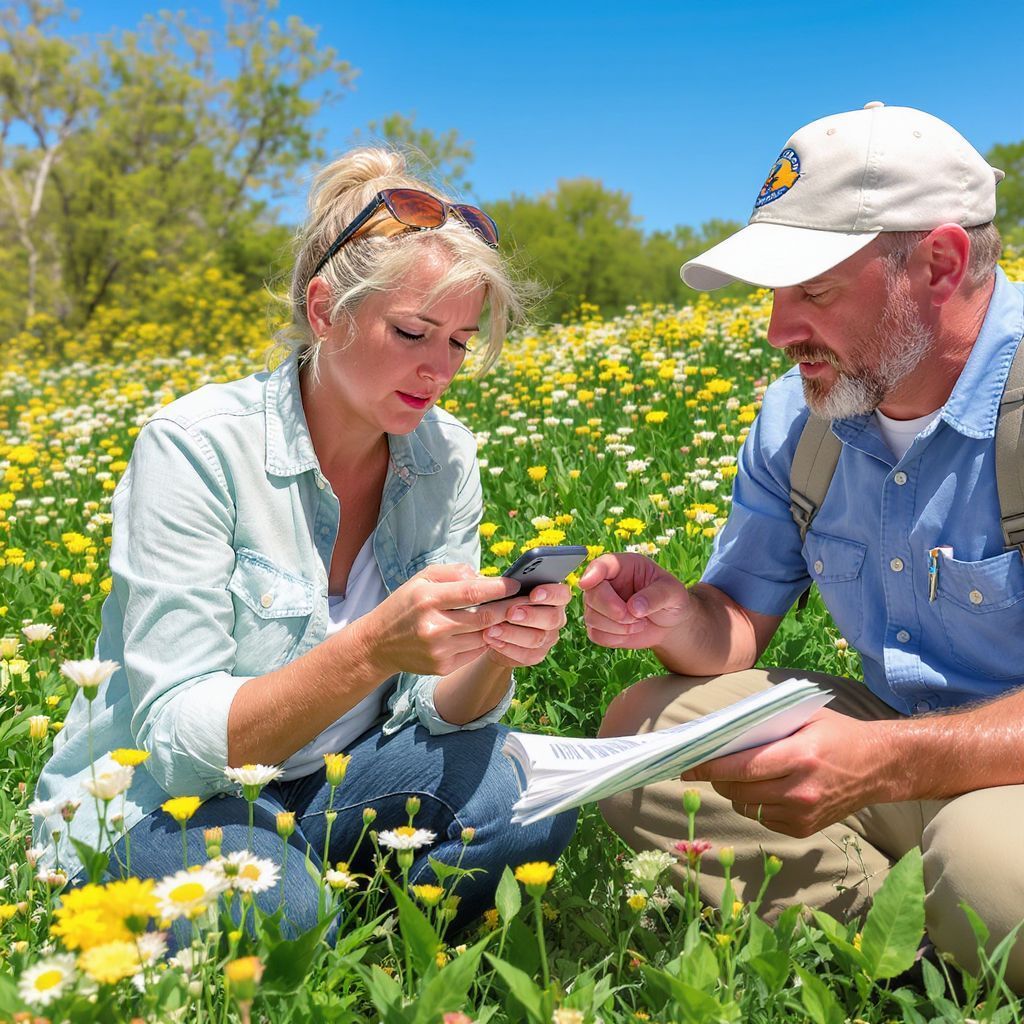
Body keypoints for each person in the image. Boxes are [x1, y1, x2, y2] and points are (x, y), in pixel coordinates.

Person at [33, 148, 577, 933]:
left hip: (331, 786)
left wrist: (494, 648)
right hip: (163, 802)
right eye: (414, 331)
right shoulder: (194, 446)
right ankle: (324, 904)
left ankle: (352, 911)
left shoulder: (445, 455)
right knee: (285, 911)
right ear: (325, 311)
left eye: (458, 342)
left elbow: (438, 710)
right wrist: (369, 650)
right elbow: (179, 743)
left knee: (529, 793)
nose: (440, 369)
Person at [581, 102, 1024, 986]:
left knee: (991, 874)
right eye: (775, 295)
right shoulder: (802, 415)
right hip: (892, 749)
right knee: (641, 743)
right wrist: (680, 613)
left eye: (813, 291)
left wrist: (886, 760)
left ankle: (941, 909)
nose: (779, 329)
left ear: (939, 263)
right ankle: (906, 945)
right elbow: (738, 621)